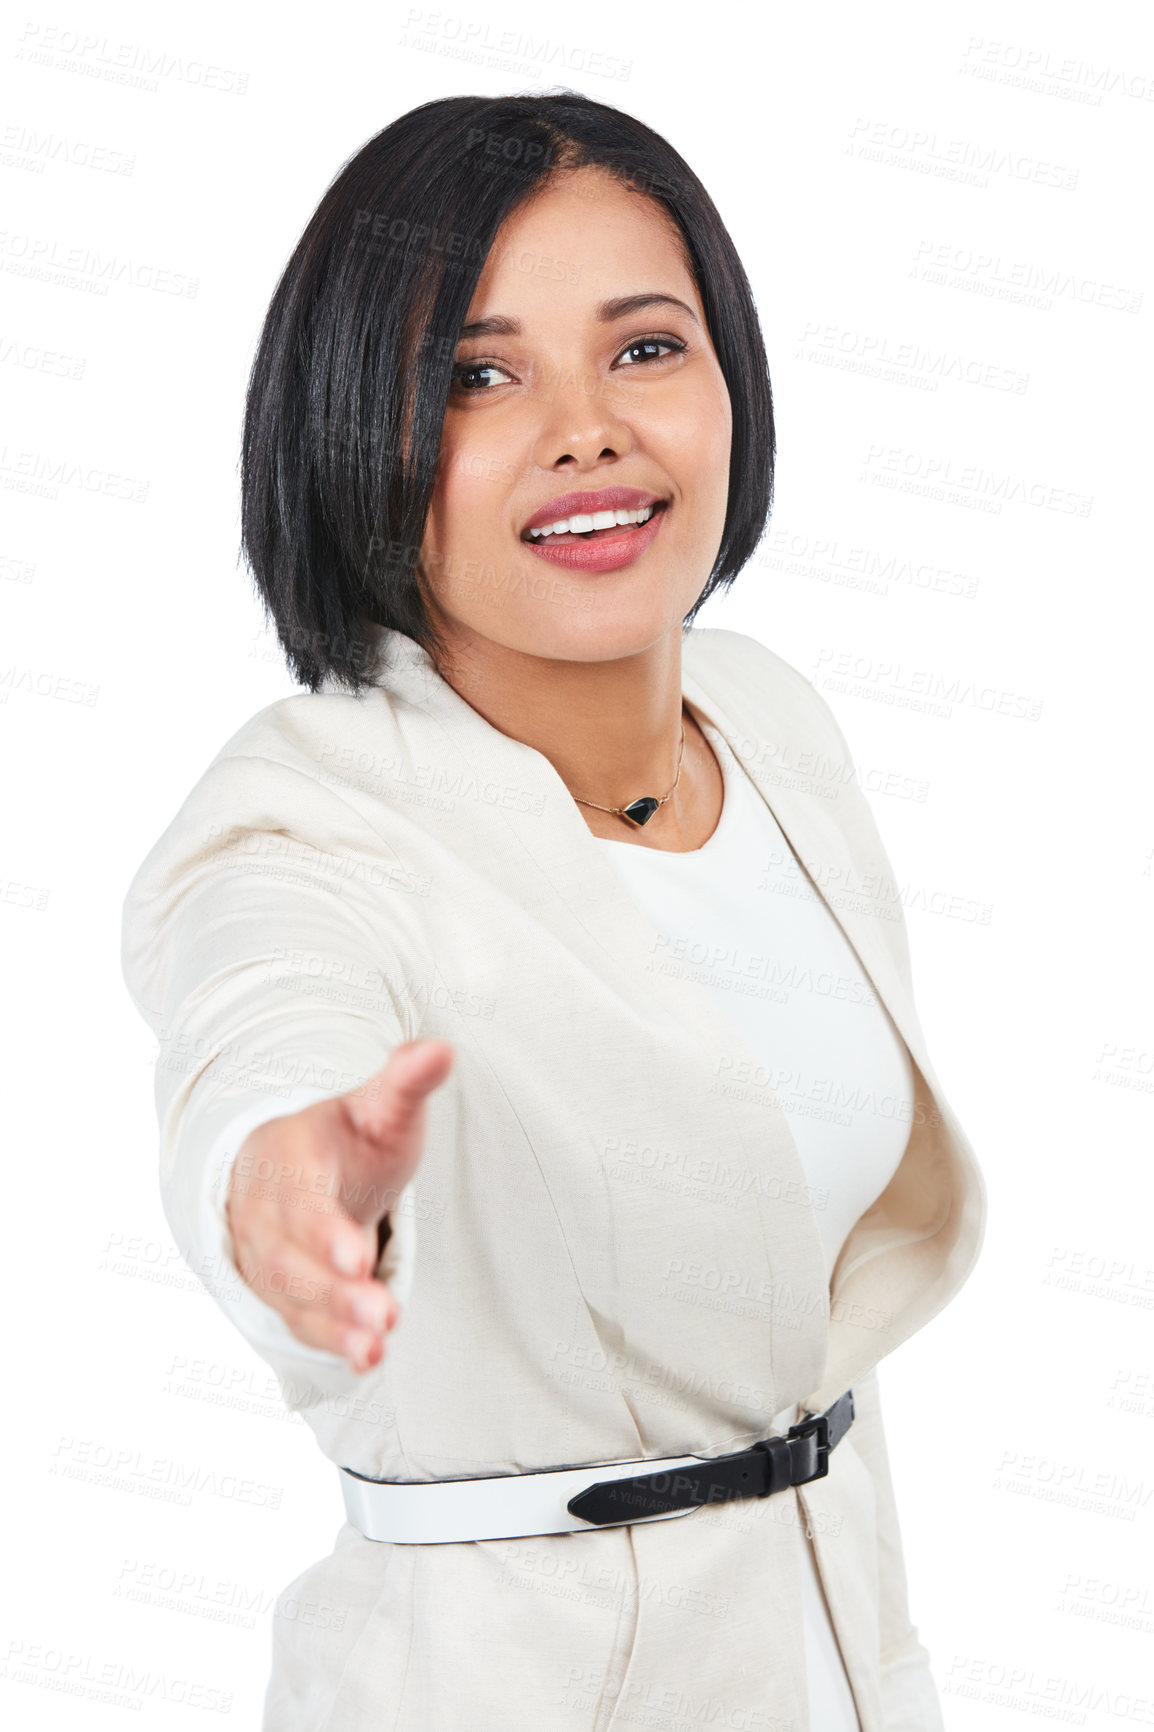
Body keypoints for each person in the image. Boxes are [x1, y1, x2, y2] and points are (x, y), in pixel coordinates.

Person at [121, 91, 986, 1731]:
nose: (585, 428)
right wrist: (292, 1195)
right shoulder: (302, 816)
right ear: (346, 427)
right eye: (476, 374)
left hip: (837, 1660)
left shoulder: (773, 725)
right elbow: (262, 1024)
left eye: (645, 349)